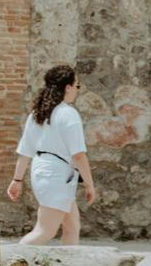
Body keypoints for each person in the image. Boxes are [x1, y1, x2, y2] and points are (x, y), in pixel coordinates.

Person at [9, 64, 96, 243]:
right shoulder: (69, 114)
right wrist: (89, 185)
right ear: (68, 87)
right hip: (57, 176)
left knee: (72, 226)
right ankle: (10, 263)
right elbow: (79, 155)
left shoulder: (37, 114)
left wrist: (17, 180)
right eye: (77, 86)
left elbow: (25, 151)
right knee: (44, 231)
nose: (77, 91)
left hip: (43, 171)